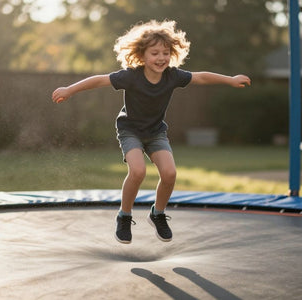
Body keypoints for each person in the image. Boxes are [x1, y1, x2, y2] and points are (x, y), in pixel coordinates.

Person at [52, 19, 251, 244]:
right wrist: (70, 89)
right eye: (155, 53)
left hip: (156, 132)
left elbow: (201, 76)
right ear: (142, 55)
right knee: (137, 172)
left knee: (170, 174)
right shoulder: (131, 76)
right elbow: (99, 80)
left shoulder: (173, 76)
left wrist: (230, 80)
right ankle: (124, 216)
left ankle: (157, 213)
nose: (161, 58)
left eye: (165, 53)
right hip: (130, 130)